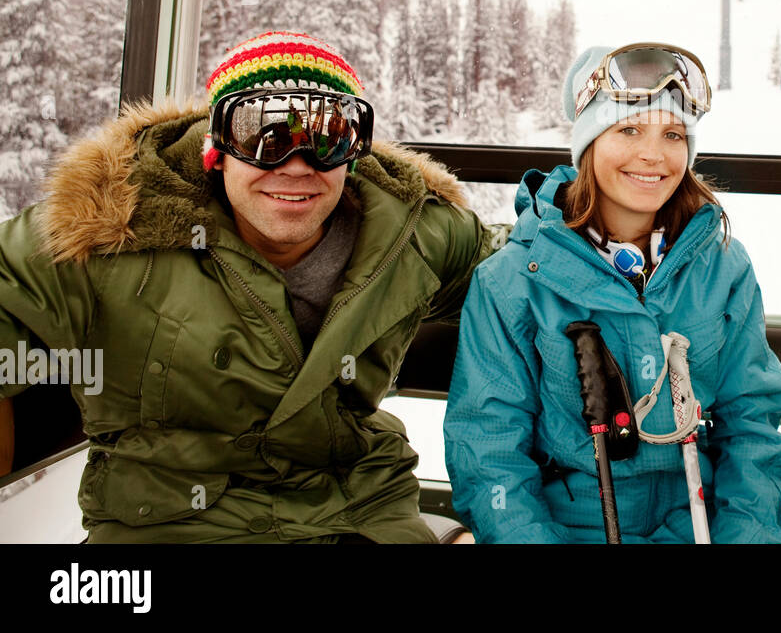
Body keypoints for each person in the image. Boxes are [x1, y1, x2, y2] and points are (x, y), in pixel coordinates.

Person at [0, 31, 505, 542]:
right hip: (170, 523)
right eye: (264, 135)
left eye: (329, 136)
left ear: (353, 155)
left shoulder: (408, 236)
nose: (297, 164)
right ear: (215, 150)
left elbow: (527, 270)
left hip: (358, 512)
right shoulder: (110, 237)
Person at [445, 43, 781, 543]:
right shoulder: (514, 281)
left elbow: (752, 430)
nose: (653, 155)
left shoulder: (721, 267)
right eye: (628, 130)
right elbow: (489, 454)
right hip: (575, 528)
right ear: (589, 144)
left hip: (700, 524)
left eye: (673, 134)